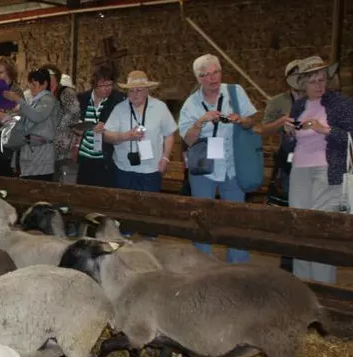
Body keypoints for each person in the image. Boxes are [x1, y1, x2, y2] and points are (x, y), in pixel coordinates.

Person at [282, 56, 353, 284]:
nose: (319, 85)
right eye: (313, 81)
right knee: (300, 228)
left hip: (328, 171)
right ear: (303, 83)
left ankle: (324, 288)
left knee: (320, 230)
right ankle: (302, 285)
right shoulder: (299, 105)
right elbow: (289, 147)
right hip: (299, 171)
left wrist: (326, 130)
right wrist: (288, 134)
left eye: (322, 79)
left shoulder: (339, 102)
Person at [178, 53, 257, 264]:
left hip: (232, 165)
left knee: (235, 219)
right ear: (198, 79)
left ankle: (237, 268)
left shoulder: (235, 92)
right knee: (202, 219)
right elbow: (188, 139)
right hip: (204, 167)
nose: (212, 79)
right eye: (205, 75)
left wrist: (242, 120)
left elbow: (251, 122)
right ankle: (203, 265)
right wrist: (200, 122)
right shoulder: (191, 104)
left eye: (216, 73)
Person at [259, 58, 303, 272]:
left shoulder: (319, 100)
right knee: (287, 207)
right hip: (287, 158)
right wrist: (282, 122)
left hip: (311, 157)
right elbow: (264, 129)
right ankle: (288, 259)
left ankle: (307, 257)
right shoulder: (279, 101)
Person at [104, 71, 177, 193]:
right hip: (124, 169)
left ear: (147, 90)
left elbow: (169, 135)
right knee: (124, 207)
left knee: (149, 207)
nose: (134, 94)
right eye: (131, 90)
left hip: (151, 170)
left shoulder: (160, 107)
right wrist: (125, 136)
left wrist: (165, 158)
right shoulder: (119, 109)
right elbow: (106, 136)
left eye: (139, 90)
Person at [2, 68, 59, 181]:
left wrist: (19, 100)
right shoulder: (34, 101)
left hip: (41, 154)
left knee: (38, 186)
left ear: (44, 84)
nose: (31, 88)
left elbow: (37, 116)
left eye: (34, 84)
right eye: (30, 85)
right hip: (29, 152)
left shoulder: (48, 100)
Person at [76, 65, 126, 187]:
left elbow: (123, 124)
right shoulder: (82, 98)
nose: (106, 89)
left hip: (107, 158)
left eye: (109, 84)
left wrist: (107, 128)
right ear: (94, 85)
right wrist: (78, 128)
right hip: (85, 157)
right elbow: (74, 121)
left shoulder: (118, 99)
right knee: (84, 193)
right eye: (102, 85)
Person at [40, 64, 81, 183]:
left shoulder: (66, 92)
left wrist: (55, 128)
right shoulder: (44, 95)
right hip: (47, 150)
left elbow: (74, 114)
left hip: (63, 149)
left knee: (63, 182)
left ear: (55, 77)